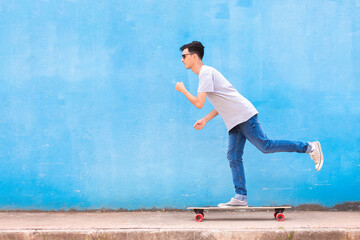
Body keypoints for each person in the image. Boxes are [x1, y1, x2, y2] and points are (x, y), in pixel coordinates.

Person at [176, 41, 324, 207]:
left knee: (266, 146)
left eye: (184, 56)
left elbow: (198, 103)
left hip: (243, 116)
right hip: (235, 121)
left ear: (194, 57)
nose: (182, 60)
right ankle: (240, 197)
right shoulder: (206, 74)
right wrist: (205, 119)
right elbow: (222, 102)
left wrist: (183, 90)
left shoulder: (205, 72)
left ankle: (309, 147)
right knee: (233, 156)